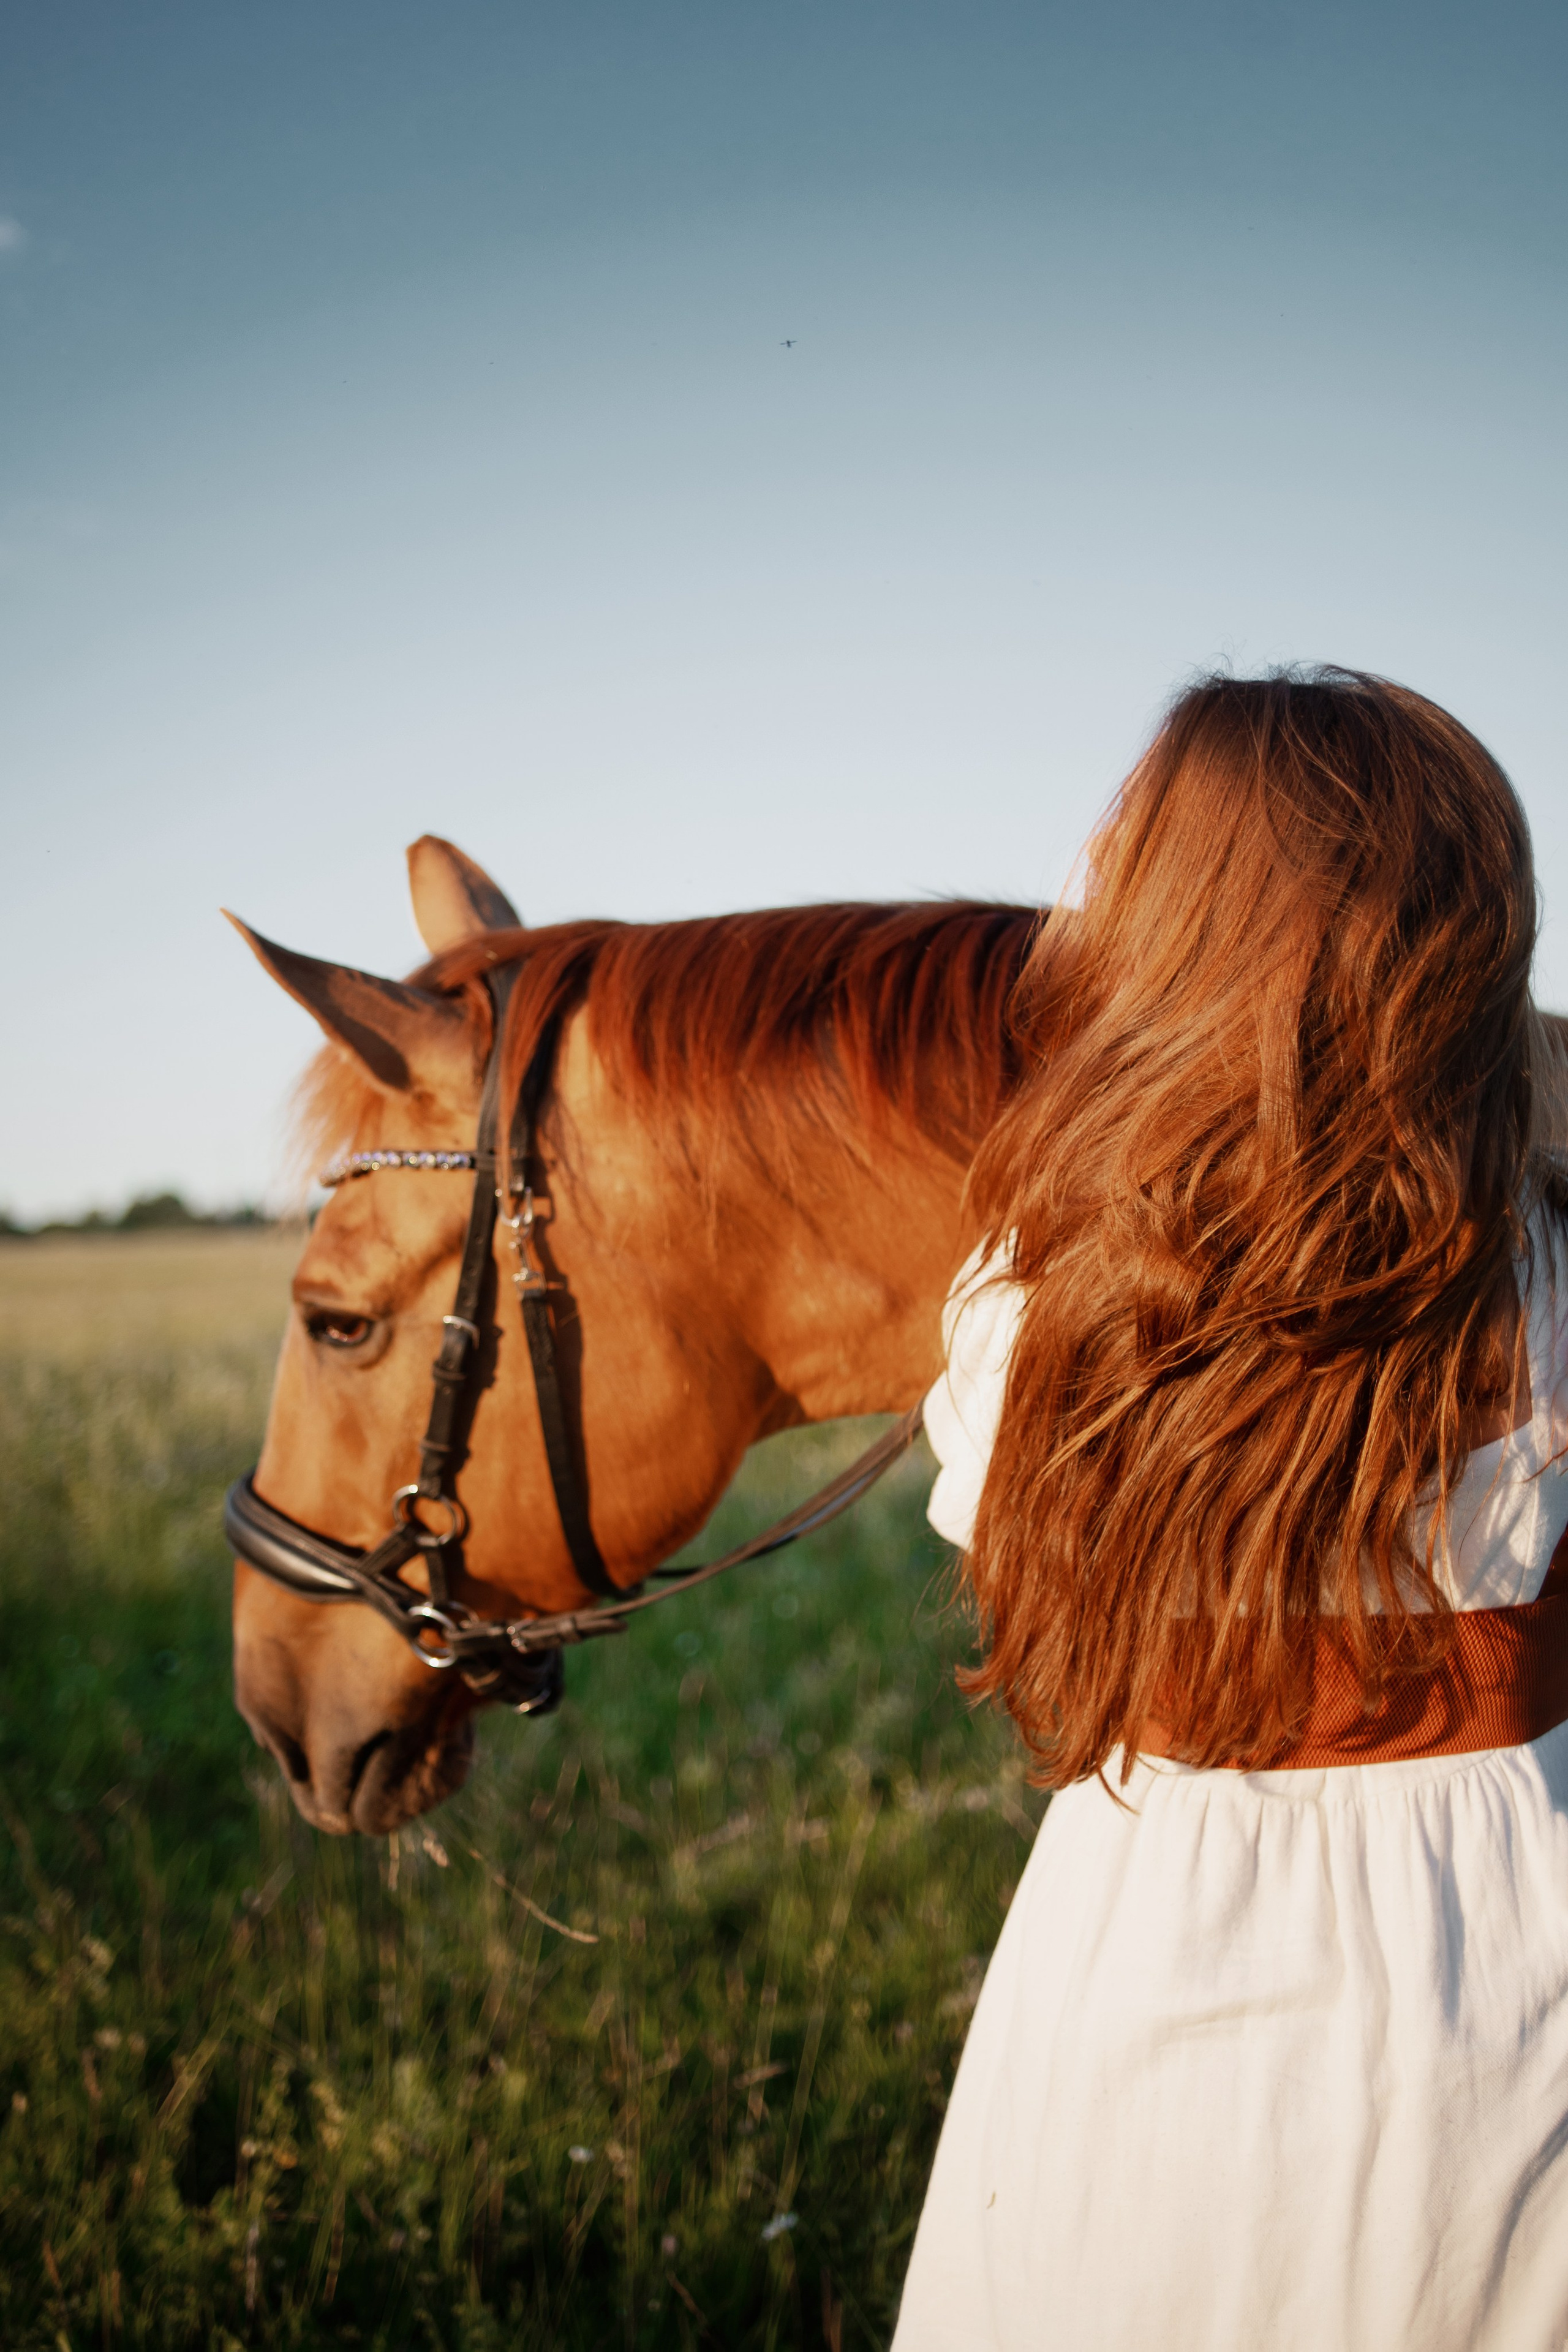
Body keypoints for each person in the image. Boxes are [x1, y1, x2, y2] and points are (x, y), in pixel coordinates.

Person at [892, 670, 1568, 2352]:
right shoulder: (1549, 1264)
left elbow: (993, 1533)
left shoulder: (1033, 1292)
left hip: (1150, 1916)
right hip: (1509, 1913)